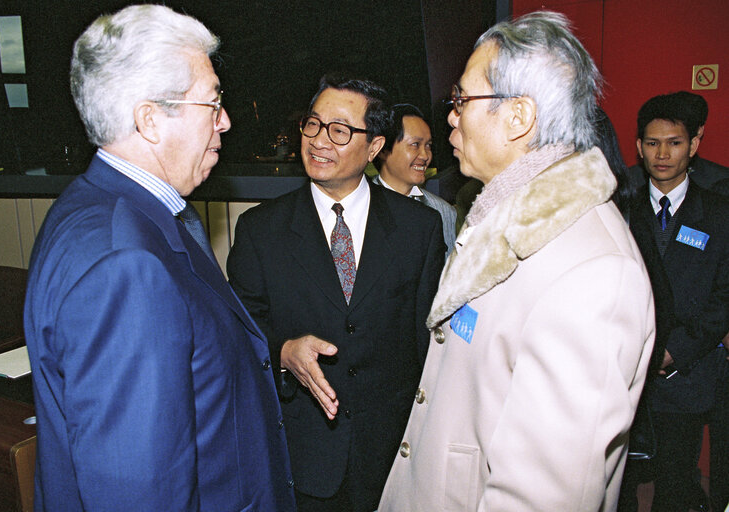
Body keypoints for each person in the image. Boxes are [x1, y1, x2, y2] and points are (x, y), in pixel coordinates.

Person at [378, 11, 655, 511]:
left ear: (519, 117)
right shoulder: (502, 220)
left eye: (463, 99)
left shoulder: (592, 272)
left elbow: (545, 496)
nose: (451, 115)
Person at [23, 5, 295, 511]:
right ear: (150, 119)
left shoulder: (95, 206)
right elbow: (138, 493)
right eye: (213, 103)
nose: (227, 121)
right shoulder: (127, 266)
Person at [227, 74, 446, 512]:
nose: (319, 141)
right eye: (313, 124)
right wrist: (284, 350)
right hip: (302, 462)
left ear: (375, 147)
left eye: (340, 130)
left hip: (393, 462)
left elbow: (429, 346)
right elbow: (238, 335)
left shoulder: (417, 229)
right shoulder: (261, 230)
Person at [626, 93, 729, 512]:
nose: (662, 153)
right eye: (652, 143)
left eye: (674, 142)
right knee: (618, 487)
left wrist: (675, 350)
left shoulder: (719, 213)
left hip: (686, 375)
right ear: (638, 147)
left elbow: (724, 296)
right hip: (625, 371)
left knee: (675, 483)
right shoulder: (621, 208)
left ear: (694, 145)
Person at [373, 103, 457, 257]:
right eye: (415, 145)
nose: (425, 156)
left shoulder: (442, 211)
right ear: (382, 149)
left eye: (428, 146)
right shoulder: (358, 204)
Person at [629, 91, 728, 190]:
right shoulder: (627, 182)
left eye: (674, 143)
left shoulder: (721, 183)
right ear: (640, 147)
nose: (662, 155)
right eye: (653, 143)